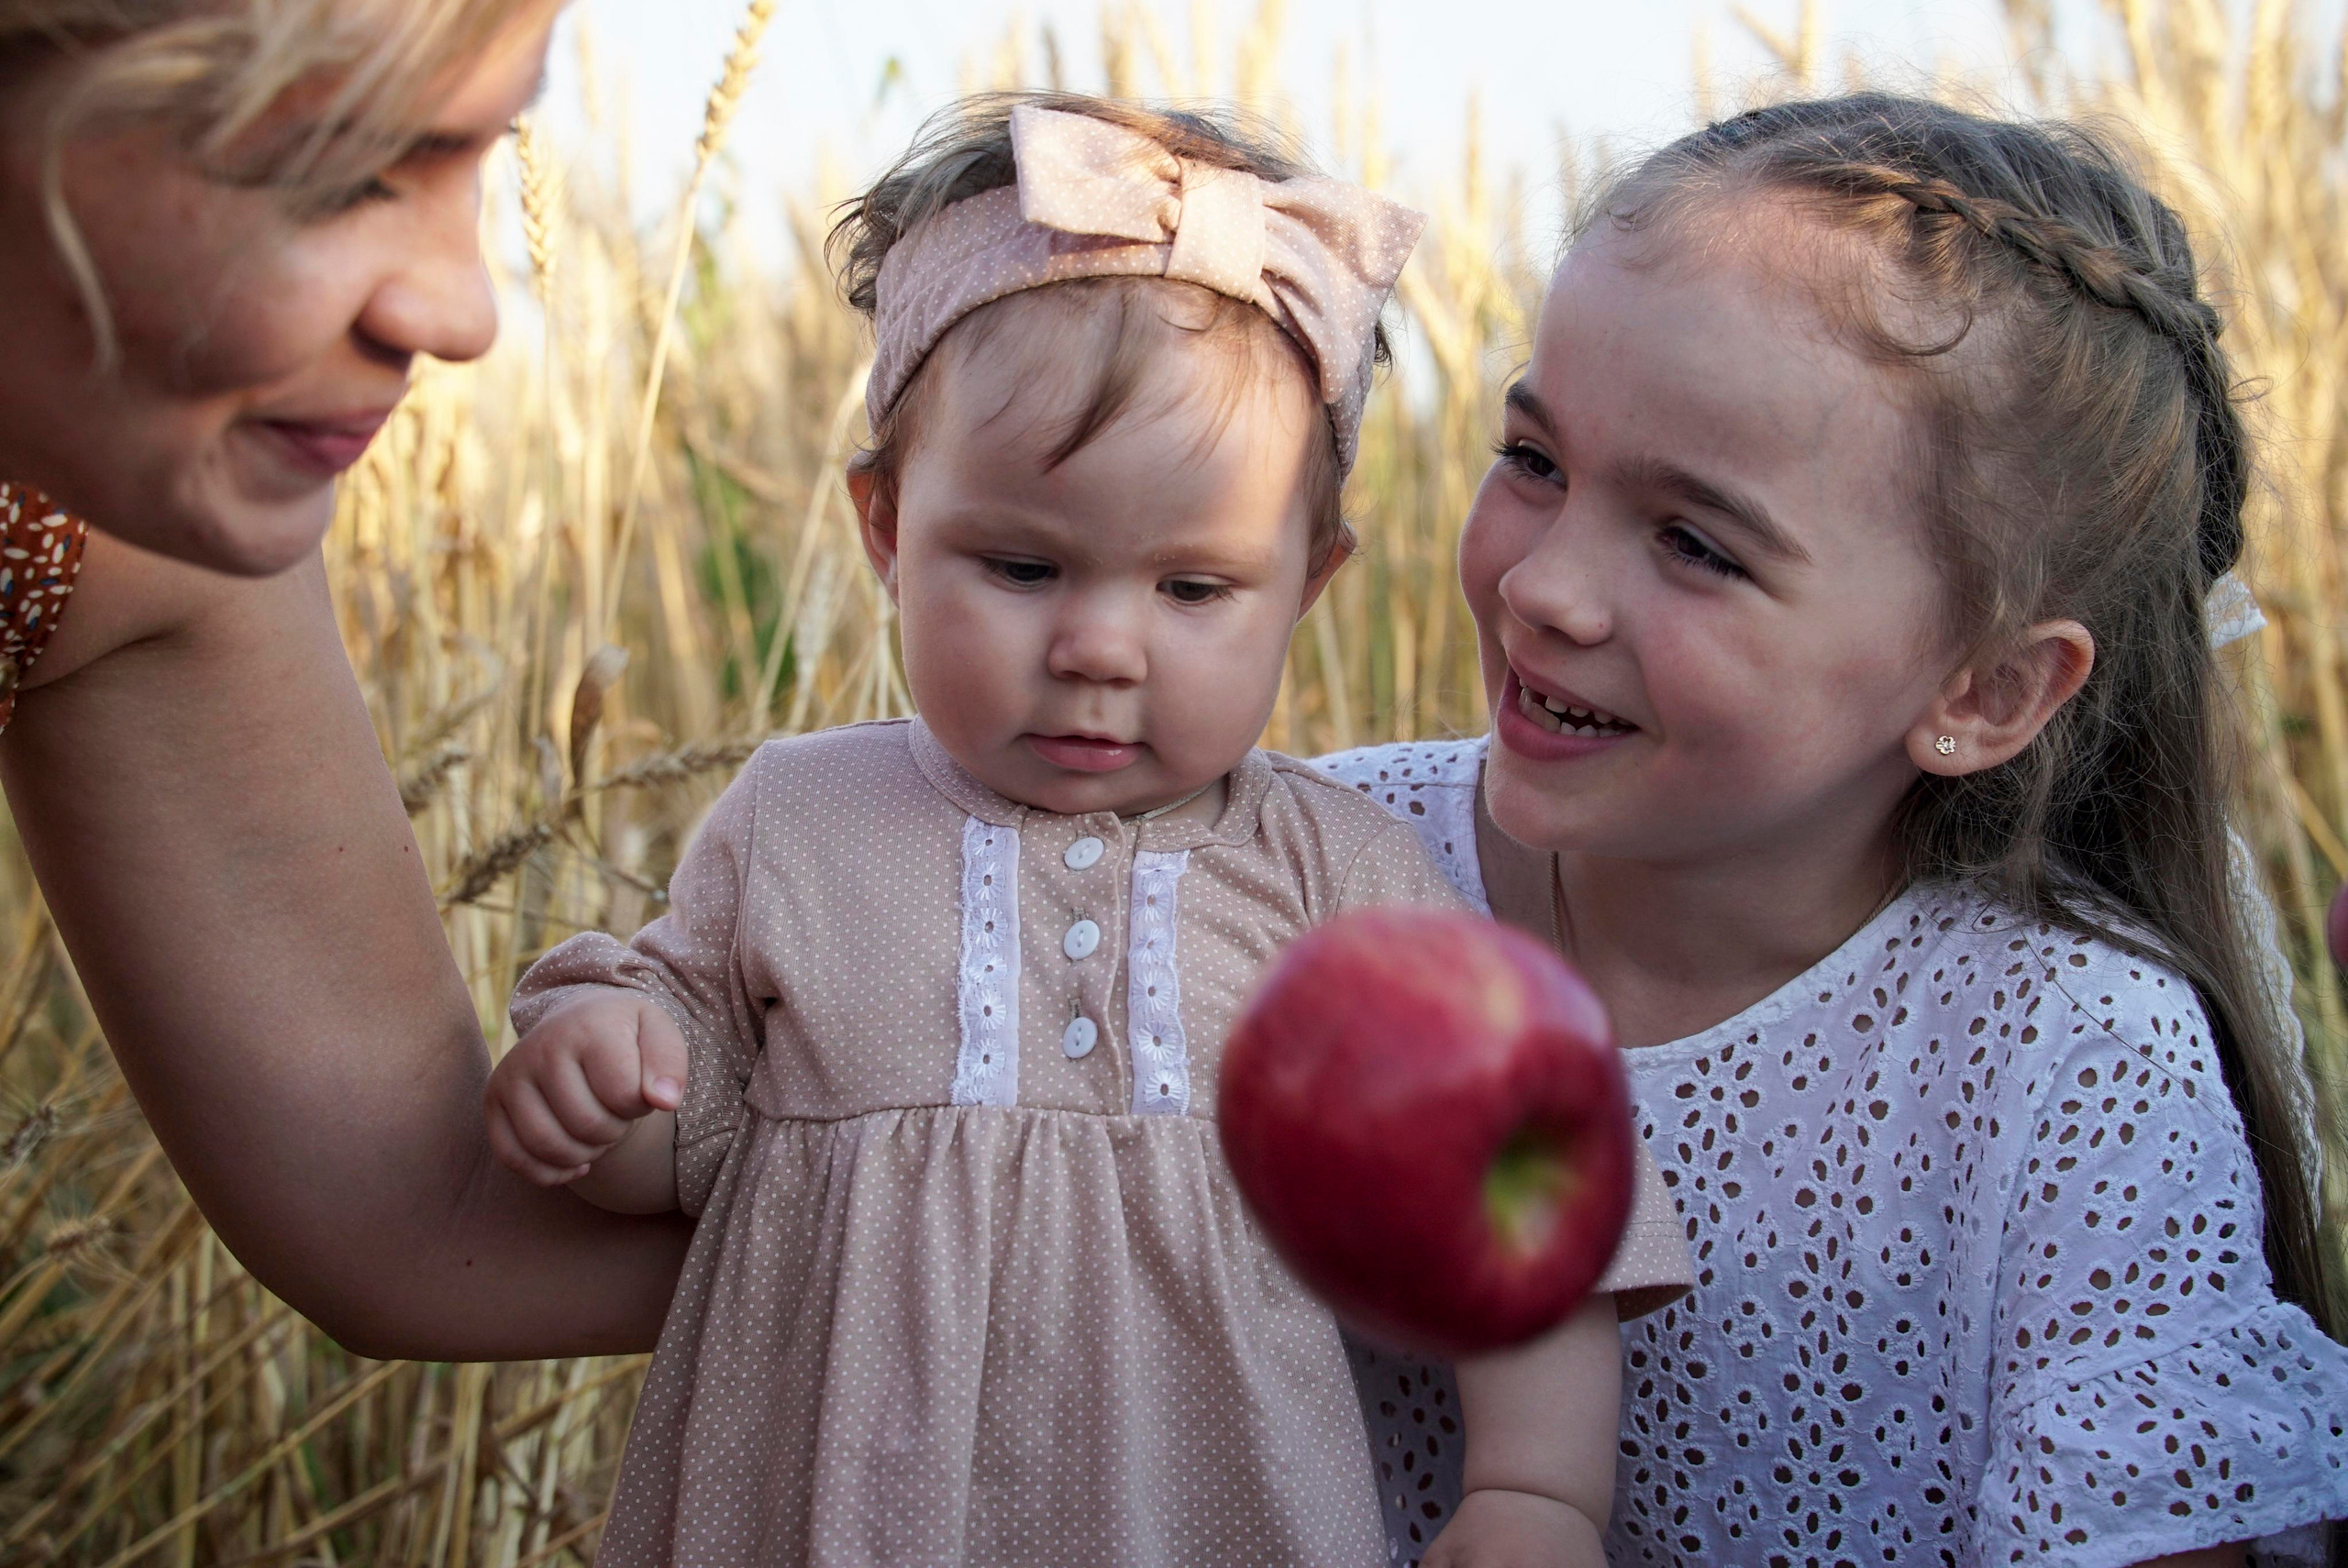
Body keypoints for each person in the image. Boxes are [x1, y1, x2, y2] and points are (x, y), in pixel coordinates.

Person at [477, 96, 1694, 1568]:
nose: (1101, 647)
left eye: (1193, 590)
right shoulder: (796, 824)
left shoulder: (1341, 881)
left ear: (1307, 584)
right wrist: (603, 1084)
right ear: (884, 527)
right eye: (1019, 562)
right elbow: (682, 1156)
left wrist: (1532, 1494)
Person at [1318, 94, 2348, 1568]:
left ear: (1984, 689)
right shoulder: (1320, 866)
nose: (1546, 587)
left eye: (1694, 541)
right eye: (1533, 458)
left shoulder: (2069, 1060)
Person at [0, 0, 693, 1359]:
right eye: (345, 171)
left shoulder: (119, 535)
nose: (464, 310)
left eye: (484, 152)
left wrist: (1097, 1229)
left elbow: (416, 1214)